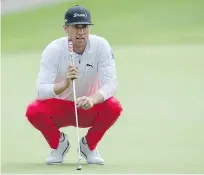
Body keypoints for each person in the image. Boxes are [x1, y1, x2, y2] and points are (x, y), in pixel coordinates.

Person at [25, 5, 123, 165]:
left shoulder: (101, 46)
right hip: (60, 107)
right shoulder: (53, 49)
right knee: (34, 111)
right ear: (65, 28)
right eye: (76, 27)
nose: (81, 32)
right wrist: (65, 84)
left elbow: (111, 84)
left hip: (88, 107)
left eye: (84, 27)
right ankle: (59, 145)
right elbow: (41, 91)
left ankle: (89, 146)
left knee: (113, 106)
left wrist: (92, 99)